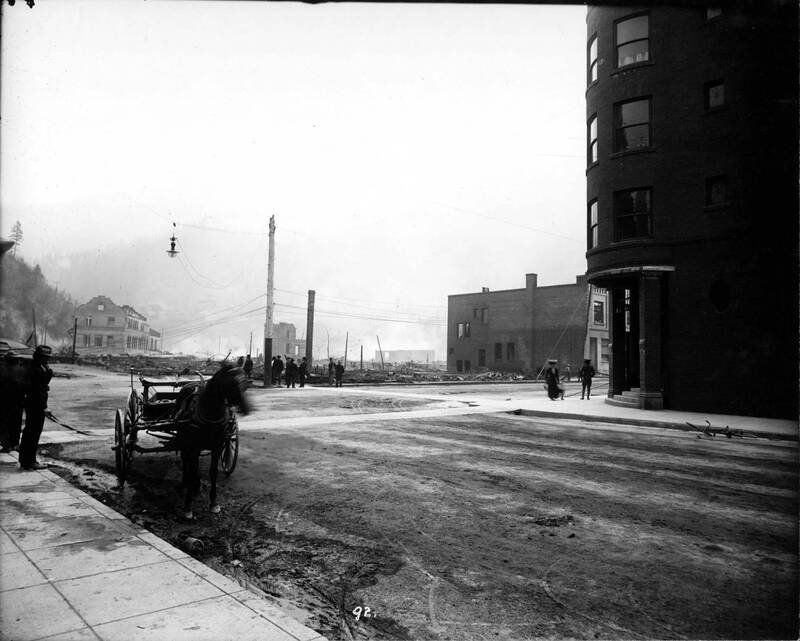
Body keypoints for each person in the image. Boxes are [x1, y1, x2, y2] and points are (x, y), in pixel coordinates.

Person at [19, 345, 54, 470]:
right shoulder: (37, 370)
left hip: (32, 403)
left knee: (30, 432)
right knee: (33, 433)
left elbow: (45, 383)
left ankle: (25, 460)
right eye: (46, 358)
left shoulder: (37, 367)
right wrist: (44, 407)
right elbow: (38, 391)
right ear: (41, 357)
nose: (47, 360)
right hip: (36, 405)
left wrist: (48, 370)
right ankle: (30, 461)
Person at [0, 347, 27, 452]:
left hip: (4, 402)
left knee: (4, 423)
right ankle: (15, 443)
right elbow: (25, 386)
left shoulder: (2, 370)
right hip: (18, 401)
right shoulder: (22, 370)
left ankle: (7, 445)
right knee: (16, 423)